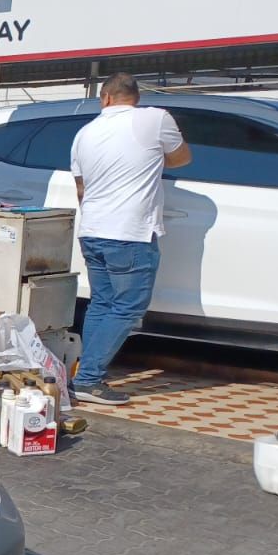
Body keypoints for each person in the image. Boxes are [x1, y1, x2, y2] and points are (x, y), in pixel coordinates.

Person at [68, 73, 191, 406]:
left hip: (92, 229)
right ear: (134, 96)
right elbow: (182, 158)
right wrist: (150, 159)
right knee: (126, 308)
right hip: (129, 232)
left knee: (102, 304)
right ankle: (88, 380)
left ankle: (85, 373)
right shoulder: (154, 119)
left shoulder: (84, 133)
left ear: (105, 98)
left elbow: (82, 189)